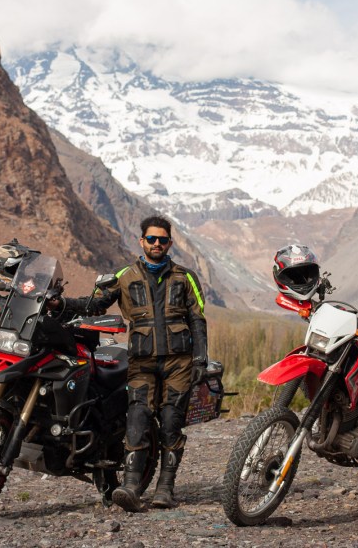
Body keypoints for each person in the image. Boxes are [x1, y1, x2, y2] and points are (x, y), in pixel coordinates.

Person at [83, 215, 208, 512]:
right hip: (141, 362)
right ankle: (130, 485)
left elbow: (197, 319)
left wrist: (201, 358)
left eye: (162, 240)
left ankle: (166, 488)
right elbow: (95, 305)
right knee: (137, 418)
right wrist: (60, 305)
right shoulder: (124, 275)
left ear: (169, 244)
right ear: (141, 241)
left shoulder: (185, 276)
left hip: (179, 362)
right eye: (151, 239)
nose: (156, 244)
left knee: (170, 422)